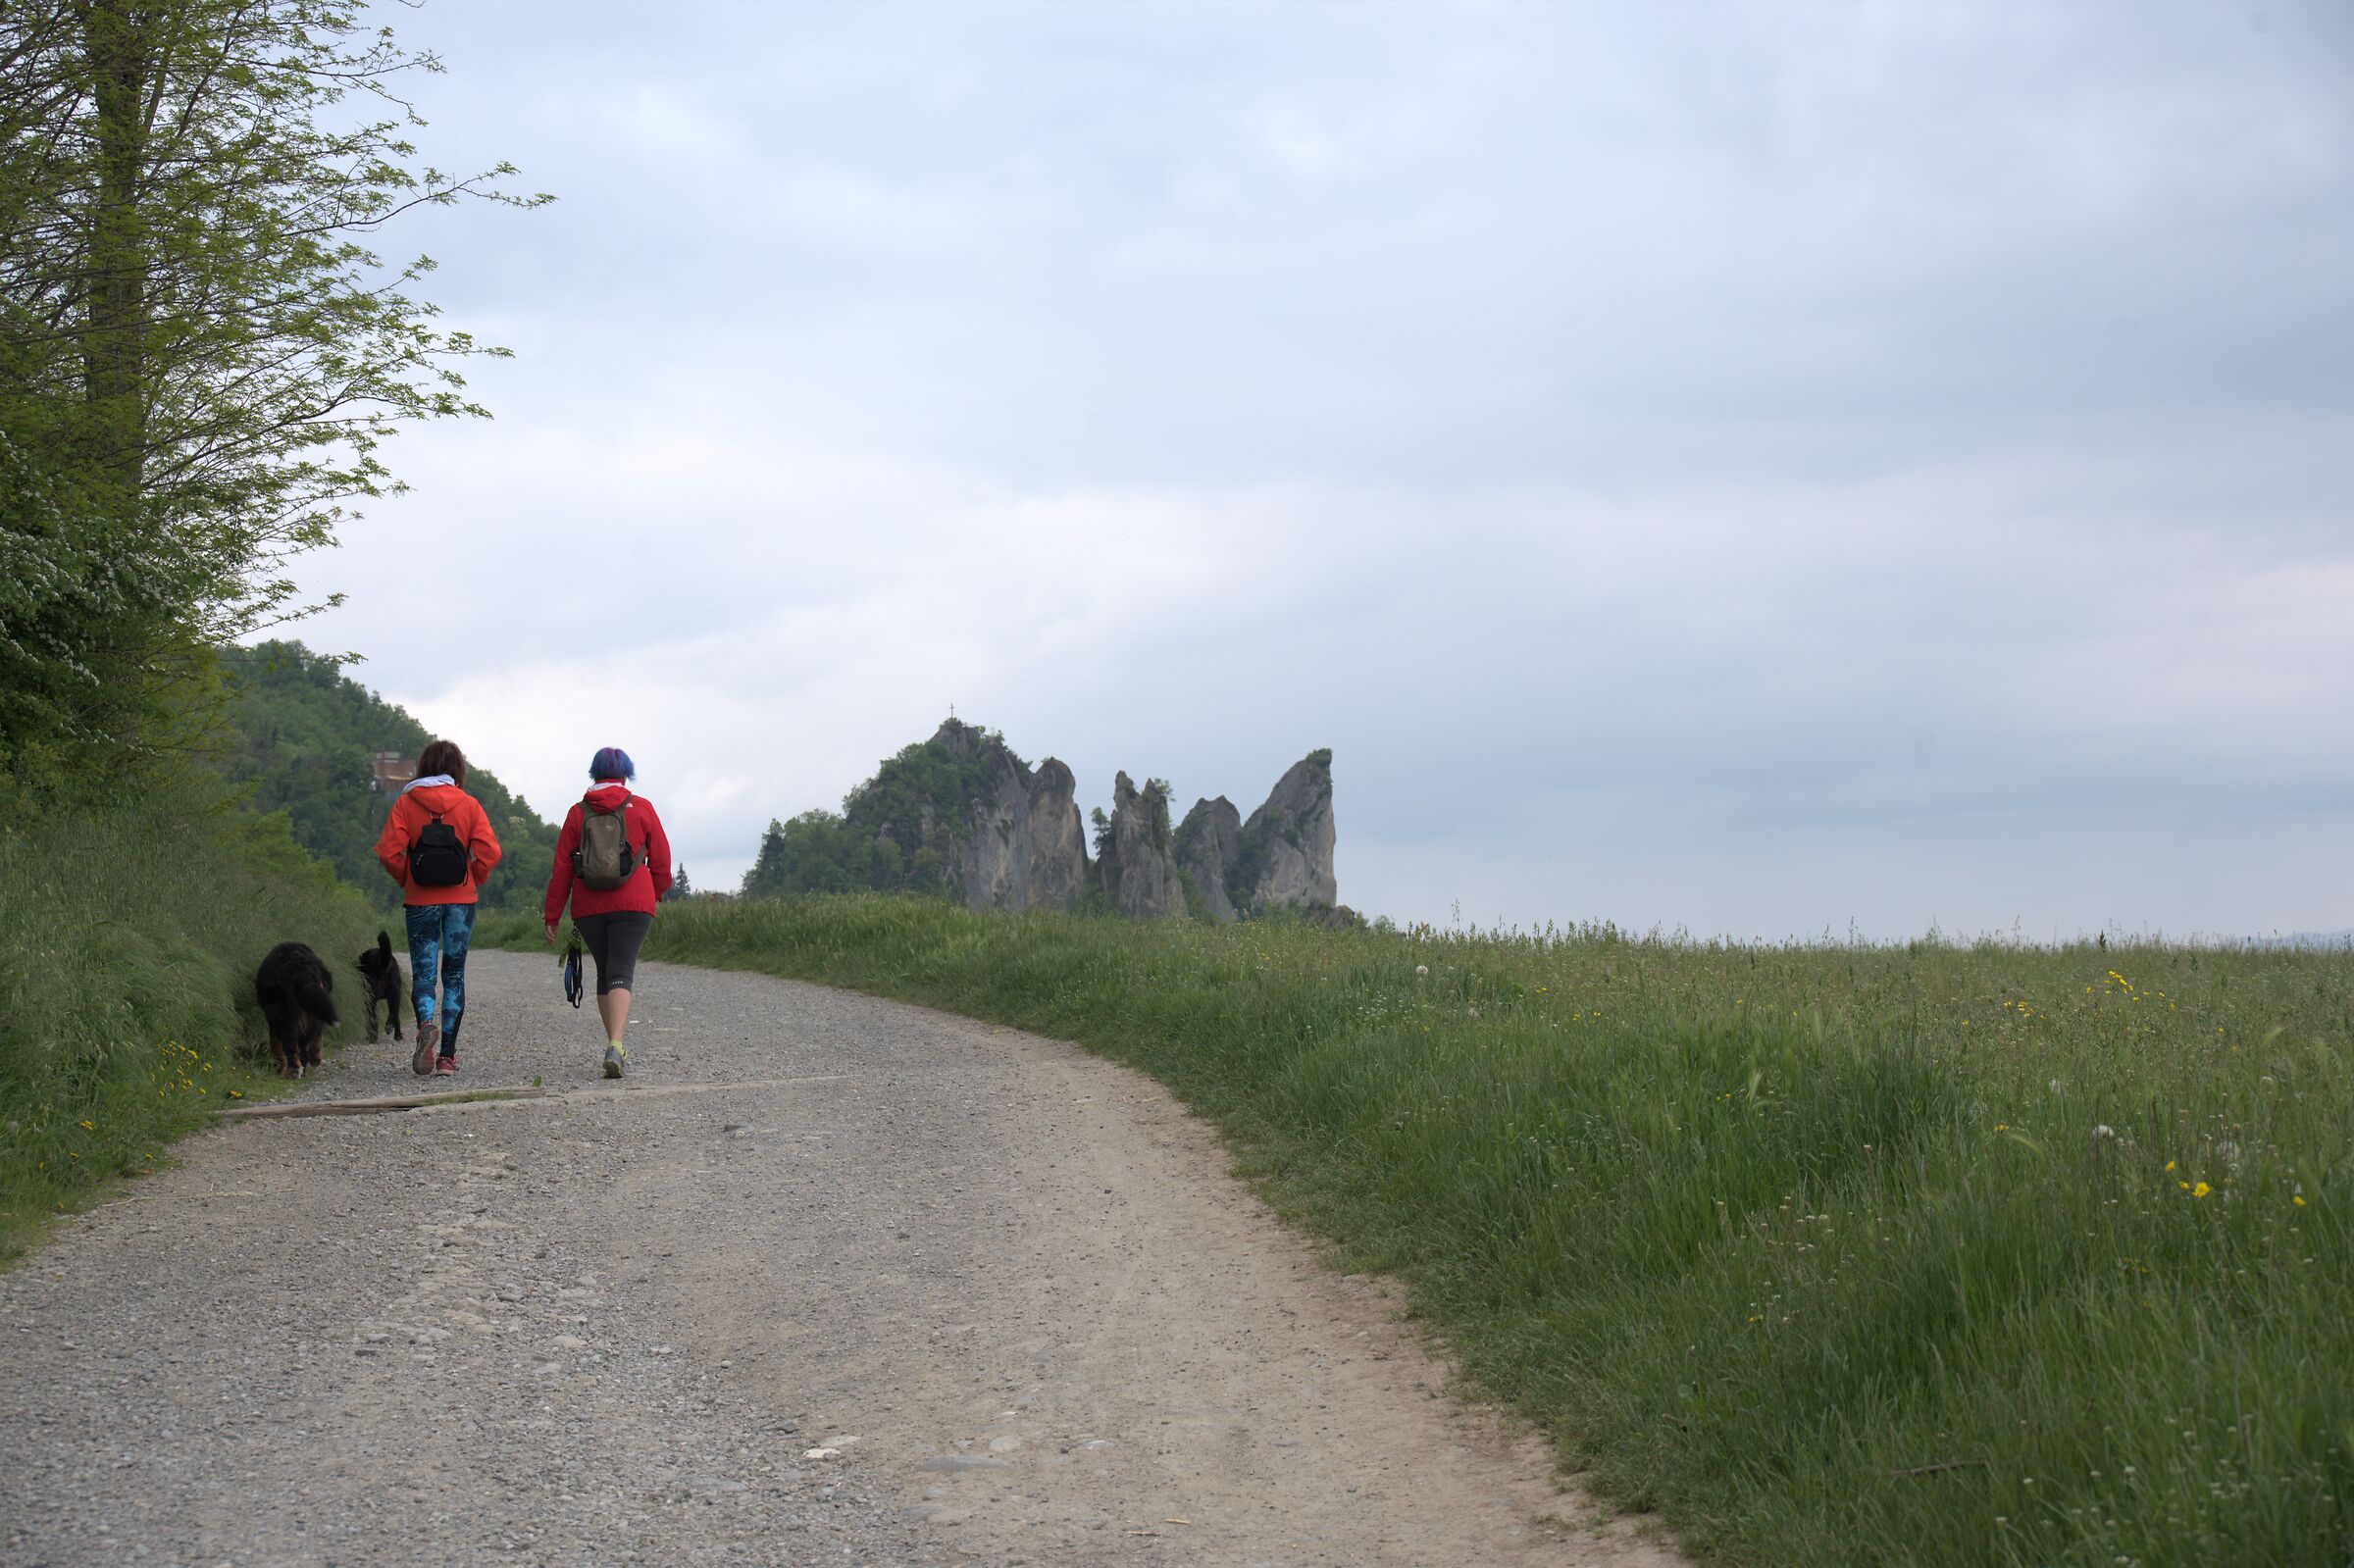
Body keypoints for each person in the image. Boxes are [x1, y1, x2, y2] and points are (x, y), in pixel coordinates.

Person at [374, 738, 502, 1077]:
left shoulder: (405, 804)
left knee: (425, 973)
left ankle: (425, 1024)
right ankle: (446, 1057)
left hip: (420, 902)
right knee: (455, 974)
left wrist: (408, 878)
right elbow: (490, 852)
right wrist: (473, 875)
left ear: (423, 767)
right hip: (461, 902)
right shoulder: (469, 804)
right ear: (458, 770)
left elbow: (388, 851)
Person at [543, 745, 673, 1079]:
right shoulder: (641, 808)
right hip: (634, 904)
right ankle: (616, 1042)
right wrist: (654, 894)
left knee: (605, 970)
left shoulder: (577, 813)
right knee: (621, 969)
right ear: (626, 773)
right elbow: (660, 861)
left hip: (589, 905)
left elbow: (561, 869)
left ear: (594, 774)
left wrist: (552, 916)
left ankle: (613, 1041)